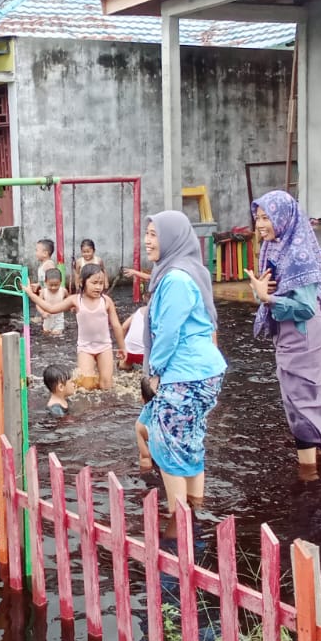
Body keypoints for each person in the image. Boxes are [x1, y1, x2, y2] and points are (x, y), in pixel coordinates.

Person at [142, 211, 226, 524]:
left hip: (184, 374)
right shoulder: (190, 269)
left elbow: (167, 332)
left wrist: (155, 371)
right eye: (147, 234)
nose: (148, 241)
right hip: (203, 372)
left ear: (172, 238)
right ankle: (197, 513)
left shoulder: (175, 278)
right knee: (189, 441)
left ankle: (178, 524)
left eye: (155, 234)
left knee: (169, 448)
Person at [246, 190, 321, 468]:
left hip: (305, 335)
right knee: (302, 403)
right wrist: (261, 292)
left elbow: (306, 307)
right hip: (288, 334)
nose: (260, 224)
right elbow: (268, 289)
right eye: (258, 217)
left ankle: (309, 479)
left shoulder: (299, 254)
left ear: (283, 218)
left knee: (302, 406)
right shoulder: (273, 247)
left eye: (267, 217)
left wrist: (267, 298)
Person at [24, 262, 125, 390]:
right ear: (82, 282)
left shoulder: (106, 301)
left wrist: (123, 348)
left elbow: (116, 326)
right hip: (85, 348)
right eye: (94, 283)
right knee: (86, 386)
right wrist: (32, 295)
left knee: (107, 385)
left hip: (104, 347)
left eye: (100, 283)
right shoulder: (76, 300)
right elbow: (51, 308)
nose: (98, 287)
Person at [135, 373, 157, 472]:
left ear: (142, 399)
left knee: (145, 458)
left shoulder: (140, 425)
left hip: (149, 432)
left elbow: (145, 457)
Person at [118, 303, 148, 371]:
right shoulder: (158, 313)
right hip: (144, 355)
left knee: (124, 369)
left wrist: (122, 347)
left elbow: (123, 328)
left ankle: (124, 365)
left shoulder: (139, 311)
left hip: (127, 353)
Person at [39, 267, 68, 335]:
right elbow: (38, 304)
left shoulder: (63, 291)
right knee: (46, 333)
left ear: (60, 282)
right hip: (48, 316)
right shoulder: (43, 292)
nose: (53, 287)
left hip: (59, 317)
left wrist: (70, 307)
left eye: (56, 285)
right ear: (45, 282)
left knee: (57, 334)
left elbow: (69, 300)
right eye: (51, 285)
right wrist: (42, 312)